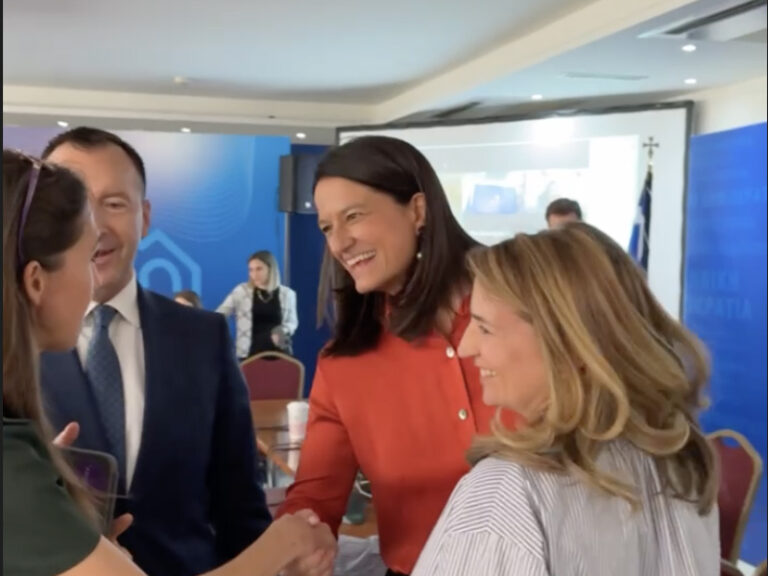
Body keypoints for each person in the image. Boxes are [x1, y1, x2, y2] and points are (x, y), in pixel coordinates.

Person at [2, 149, 330, 576]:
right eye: (84, 258)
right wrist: (284, 543)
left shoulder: (203, 337)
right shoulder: (12, 456)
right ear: (35, 280)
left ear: (144, 215)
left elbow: (236, 501)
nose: (93, 271)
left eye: (114, 203)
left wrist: (63, 521)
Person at [412, 225, 719, 576]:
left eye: (484, 328)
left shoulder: (506, 494)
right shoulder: (678, 462)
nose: (466, 347)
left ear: (570, 346)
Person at [277, 136, 511, 576]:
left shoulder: (527, 313)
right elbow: (314, 499)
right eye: (326, 227)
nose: (339, 243)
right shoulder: (344, 364)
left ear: (417, 210)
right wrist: (298, 543)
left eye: (353, 216)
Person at [217, 251, 298, 359]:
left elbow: (292, 323)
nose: (254, 274)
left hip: (279, 353)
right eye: (251, 270)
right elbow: (220, 314)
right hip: (249, 354)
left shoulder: (288, 294)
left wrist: (282, 331)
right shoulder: (241, 292)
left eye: (259, 269)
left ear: (270, 269)